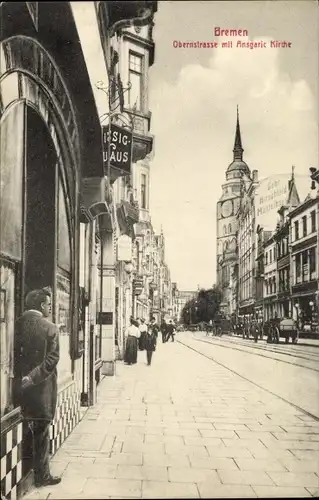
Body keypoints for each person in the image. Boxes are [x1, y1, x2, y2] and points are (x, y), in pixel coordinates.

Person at [15, 288, 61, 488]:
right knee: (41, 433)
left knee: (25, 428)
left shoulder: (17, 324)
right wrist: (32, 377)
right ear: (42, 306)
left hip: (19, 390)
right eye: (49, 304)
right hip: (42, 389)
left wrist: (22, 378)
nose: (50, 307)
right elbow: (52, 360)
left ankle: (22, 471)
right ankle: (42, 476)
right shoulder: (50, 328)